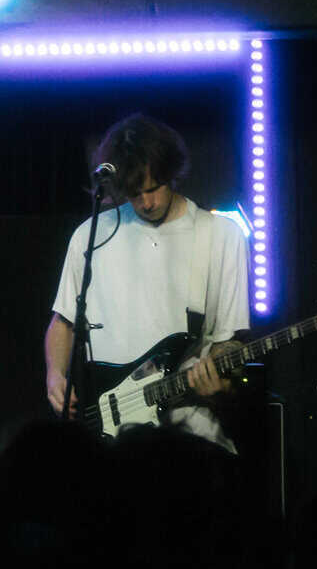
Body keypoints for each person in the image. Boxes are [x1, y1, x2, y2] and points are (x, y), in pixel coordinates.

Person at [44, 114, 247, 449]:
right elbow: (63, 321)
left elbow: (230, 341)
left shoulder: (221, 236)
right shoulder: (90, 235)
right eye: (134, 193)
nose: (147, 203)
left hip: (189, 434)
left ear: (172, 173)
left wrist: (220, 386)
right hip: (108, 440)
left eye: (154, 189)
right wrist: (55, 375)